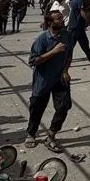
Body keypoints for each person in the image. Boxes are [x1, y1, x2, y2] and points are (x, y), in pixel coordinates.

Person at [26, 10, 74, 151]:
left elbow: (69, 54)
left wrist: (65, 71)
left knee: (64, 106)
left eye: (62, 17)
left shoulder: (66, 36)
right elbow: (33, 61)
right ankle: (31, 133)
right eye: (58, 18)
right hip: (43, 80)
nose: (62, 20)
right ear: (50, 22)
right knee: (37, 108)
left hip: (60, 78)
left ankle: (51, 135)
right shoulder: (41, 39)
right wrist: (53, 52)